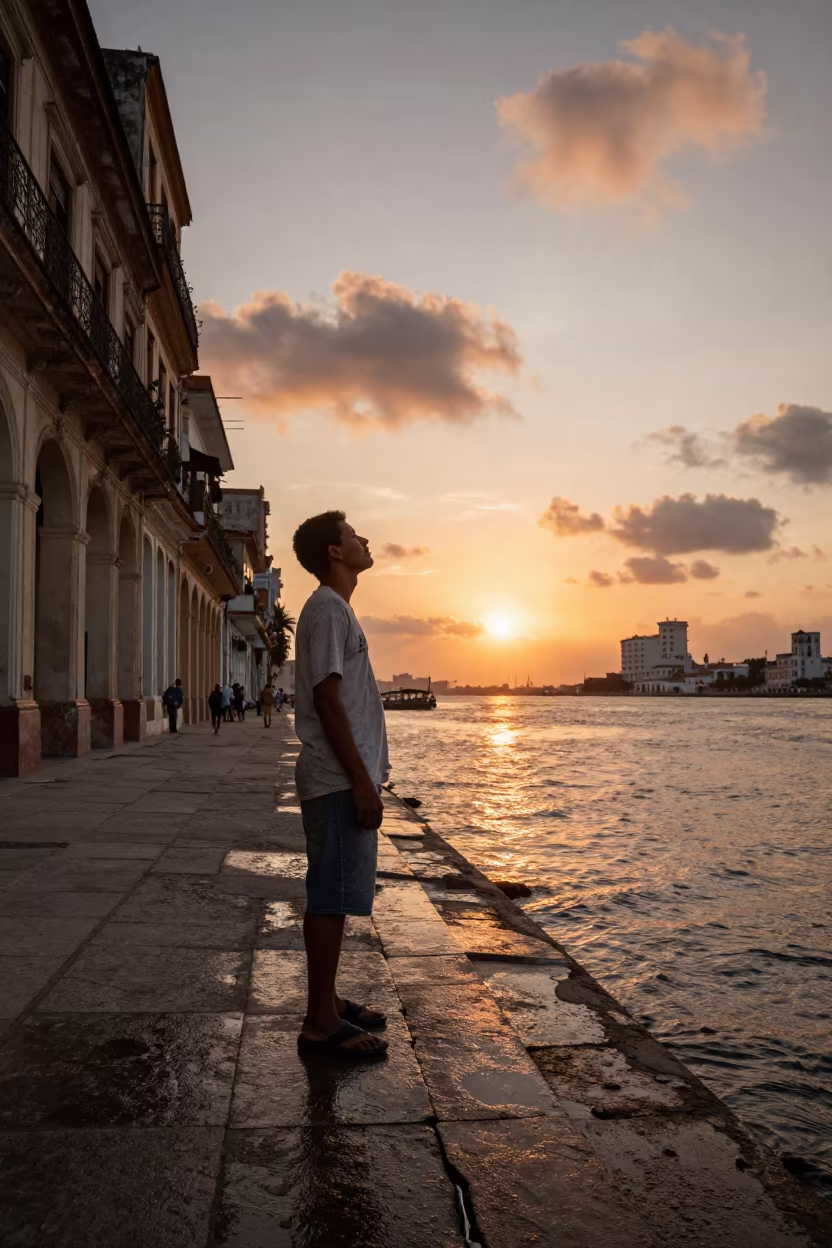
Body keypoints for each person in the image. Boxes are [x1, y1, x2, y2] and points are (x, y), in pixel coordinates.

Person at [292, 510, 389, 1060]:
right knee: (330, 898)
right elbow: (328, 700)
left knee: (335, 893)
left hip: (340, 776)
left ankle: (327, 999)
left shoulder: (335, 610)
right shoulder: (328, 608)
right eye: (353, 534)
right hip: (335, 778)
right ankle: (319, 1023)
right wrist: (360, 780)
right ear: (334, 551)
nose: (364, 539)